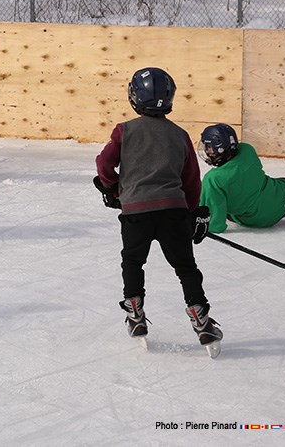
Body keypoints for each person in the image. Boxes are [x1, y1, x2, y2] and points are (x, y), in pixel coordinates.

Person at [94, 67, 223, 356]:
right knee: (186, 268)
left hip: (135, 213)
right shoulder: (180, 135)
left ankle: (135, 313)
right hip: (173, 212)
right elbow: (191, 181)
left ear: (135, 97)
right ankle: (200, 318)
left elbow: (104, 164)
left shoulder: (124, 130)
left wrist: (114, 190)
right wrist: (192, 213)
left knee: (132, 262)